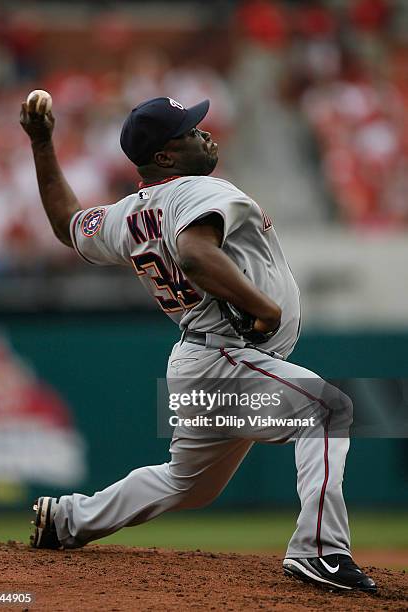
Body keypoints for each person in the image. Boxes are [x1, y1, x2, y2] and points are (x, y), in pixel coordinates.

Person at [20, 95, 376, 593]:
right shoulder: (198, 190)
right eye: (190, 130)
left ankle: (67, 520)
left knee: (187, 483)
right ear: (165, 157)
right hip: (225, 355)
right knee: (328, 409)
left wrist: (41, 143)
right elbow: (194, 254)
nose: (205, 133)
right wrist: (264, 307)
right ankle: (320, 551)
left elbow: (66, 224)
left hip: (201, 359)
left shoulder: (126, 216)